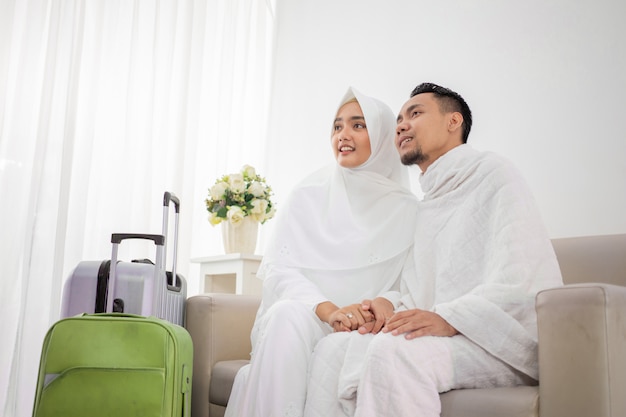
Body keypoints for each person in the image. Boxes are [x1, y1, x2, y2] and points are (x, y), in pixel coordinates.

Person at [303, 82, 564, 417]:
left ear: (453, 122)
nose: (401, 125)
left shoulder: (495, 174)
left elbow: (521, 280)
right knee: (332, 349)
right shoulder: (428, 206)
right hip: (449, 337)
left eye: (415, 114)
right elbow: (421, 292)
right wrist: (385, 304)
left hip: (496, 342)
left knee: (394, 353)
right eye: (398, 119)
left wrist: (451, 318)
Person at [224, 87, 419, 417]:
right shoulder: (308, 194)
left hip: (368, 325)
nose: (343, 135)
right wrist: (329, 311)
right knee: (286, 315)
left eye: (358, 125)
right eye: (337, 126)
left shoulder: (410, 211)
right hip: (312, 316)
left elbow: (411, 282)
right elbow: (280, 269)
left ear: (384, 136)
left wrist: (374, 307)